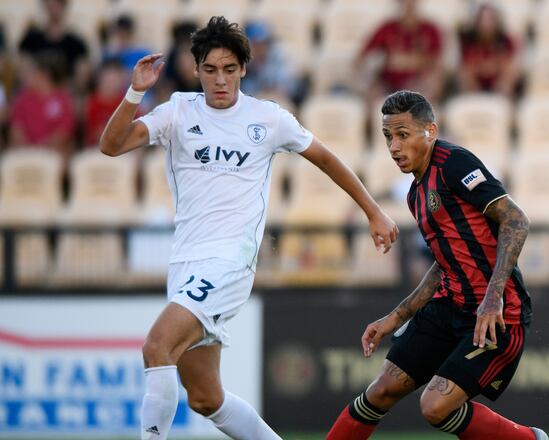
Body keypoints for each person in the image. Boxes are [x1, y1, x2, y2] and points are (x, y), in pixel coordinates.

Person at [99, 16, 398, 440]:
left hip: (230, 259)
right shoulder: (178, 111)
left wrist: (373, 211)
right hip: (186, 259)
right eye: (210, 69)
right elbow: (110, 146)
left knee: (156, 347)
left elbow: (327, 159)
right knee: (206, 398)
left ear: (243, 69)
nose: (220, 80)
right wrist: (135, 92)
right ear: (195, 69)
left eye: (229, 69)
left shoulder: (267, 118)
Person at [326, 90, 548, 440]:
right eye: (387, 137)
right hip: (449, 306)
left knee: (434, 407)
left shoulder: (454, 164)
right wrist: (396, 316)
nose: (394, 147)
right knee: (380, 391)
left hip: (498, 314)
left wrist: (493, 298)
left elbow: (516, 220)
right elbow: (445, 261)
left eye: (402, 135)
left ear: (430, 130)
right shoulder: (416, 192)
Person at [355, 0, 444, 104]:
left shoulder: (430, 30)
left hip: (418, 85)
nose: (409, 4)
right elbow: (362, 57)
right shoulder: (387, 28)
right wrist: (383, 60)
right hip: (386, 84)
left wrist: (410, 61)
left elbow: (437, 62)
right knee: (371, 90)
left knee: (433, 81)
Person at [9, 51, 75, 159]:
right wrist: (28, 149)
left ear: (45, 76)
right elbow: (16, 128)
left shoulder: (63, 99)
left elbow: (64, 133)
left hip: (52, 153)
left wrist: (41, 149)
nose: (28, 77)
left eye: (33, 73)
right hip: (24, 152)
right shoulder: (23, 97)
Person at [18, 0, 90, 91]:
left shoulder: (77, 45)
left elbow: (81, 81)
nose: (53, 7)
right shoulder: (30, 41)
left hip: (64, 99)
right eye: (50, 2)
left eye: (58, 3)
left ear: (64, 6)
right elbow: (24, 75)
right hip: (36, 99)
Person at [457, 3, 520, 96]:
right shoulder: (468, 41)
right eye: (483, 20)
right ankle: (473, 99)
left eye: (490, 19)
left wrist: (485, 67)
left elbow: (508, 66)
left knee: (510, 72)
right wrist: (489, 67)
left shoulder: (506, 41)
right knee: (464, 74)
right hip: (475, 84)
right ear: (477, 22)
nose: (487, 24)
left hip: (499, 84)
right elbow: (466, 68)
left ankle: (501, 102)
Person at [239, 21, 299, 103]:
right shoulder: (242, 61)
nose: (260, 47)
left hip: (276, 101)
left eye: (263, 43)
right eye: (255, 43)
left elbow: (287, 88)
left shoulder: (279, 56)